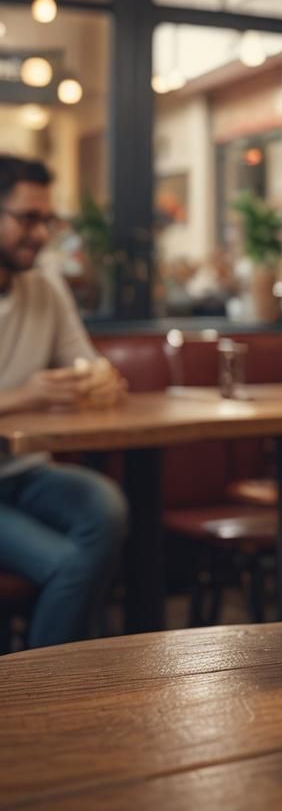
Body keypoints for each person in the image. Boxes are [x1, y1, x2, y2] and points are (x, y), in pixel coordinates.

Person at [0, 155, 129, 648]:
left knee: (105, 505)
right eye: (26, 219)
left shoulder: (45, 285)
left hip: (26, 472)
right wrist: (27, 394)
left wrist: (102, 382)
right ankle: (39, 692)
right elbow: (35, 390)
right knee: (67, 563)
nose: (39, 234)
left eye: (46, 220)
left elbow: (88, 365)